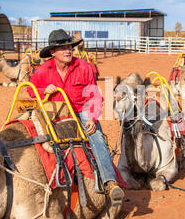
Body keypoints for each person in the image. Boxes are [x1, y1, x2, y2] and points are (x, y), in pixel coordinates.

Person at [28, 29, 124, 206]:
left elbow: (94, 95)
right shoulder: (43, 70)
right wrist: (43, 91)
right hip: (54, 112)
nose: (68, 51)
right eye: (62, 48)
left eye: (69, 47)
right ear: (52, 52)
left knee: (96, 137)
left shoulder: (84, 67)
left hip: (81, 110)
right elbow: (29, 89)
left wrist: (92, 118)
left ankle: (110, 183)